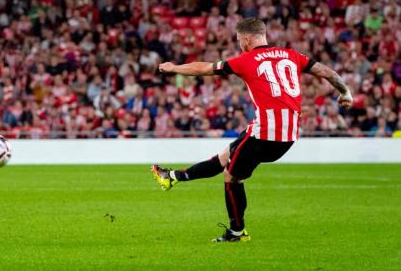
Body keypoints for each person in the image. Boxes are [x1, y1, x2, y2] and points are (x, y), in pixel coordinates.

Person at [151, 18, 353, 242]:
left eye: (239, 40)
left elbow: (205, 69)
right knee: (225, 157)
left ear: (247, 39)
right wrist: (345, 93)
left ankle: (236, 232)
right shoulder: (292, 55)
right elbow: (327, 73)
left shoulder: (245, 60)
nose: (239, 45)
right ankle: (171, 178)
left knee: (231, 176)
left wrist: (173, 68)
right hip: (287, 134)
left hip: (265, 133)